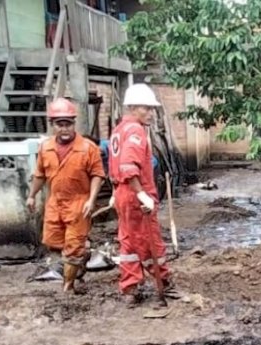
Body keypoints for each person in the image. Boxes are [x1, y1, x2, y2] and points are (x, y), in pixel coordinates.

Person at [26, 98, 105, 294]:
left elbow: (98, 175)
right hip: (55, 202)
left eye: (68, 124)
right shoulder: (45, 148)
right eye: (59, 124)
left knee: (73, 246)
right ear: (52, 125)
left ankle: (68, 287)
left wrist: (91, 199)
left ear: (74, 124)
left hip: (79, 203)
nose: (64, 129)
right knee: (54, 242)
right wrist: (31, 196)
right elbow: (39, 174)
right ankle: (80, 263)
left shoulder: (88, 148)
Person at [109, 84, 172, 307]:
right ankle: (162, 281)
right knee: (149, 239)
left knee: (128, 241)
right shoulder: (135, 131)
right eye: (147, 109)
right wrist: (141, 194)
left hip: (122, 191)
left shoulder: (119, 130)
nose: (151, 114)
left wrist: (118, 190)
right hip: (135, 193)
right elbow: (128, 165)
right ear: (134, 107)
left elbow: (115, 163)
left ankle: (130, 288)